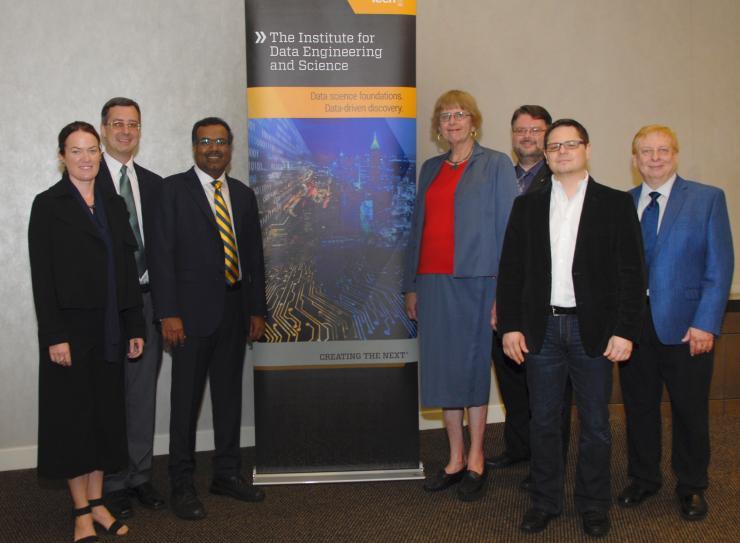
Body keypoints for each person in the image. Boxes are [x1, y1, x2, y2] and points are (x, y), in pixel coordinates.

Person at [497, 119, 645, 537]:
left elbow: (632, 273)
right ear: (545, 155)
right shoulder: (527, 207)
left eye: (570, 144)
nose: (562, 151)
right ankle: (545, 502)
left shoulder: (615, 204)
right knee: (544, 421)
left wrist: (625, 330)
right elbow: (511, 272)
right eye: (554, 145)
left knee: (596, 424)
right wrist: (510, 326)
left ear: (587, 149)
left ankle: (593, 505)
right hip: (541, 329)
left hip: (593, 332)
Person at [29, 121, 146, 543]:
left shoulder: (114, 204)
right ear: (62, 156)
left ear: (100, 153)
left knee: (103, 420)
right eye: (76, 151)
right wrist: (53, 336)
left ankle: (99, 503)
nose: (85, 158)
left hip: (111, 329)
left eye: (92, 150)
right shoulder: (49, 204)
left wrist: (134, 322)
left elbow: (129, 270)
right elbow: (42, 278)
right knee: (74, 424)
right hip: (71, 335)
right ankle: (80, 511)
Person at [150, 117, 268, 520]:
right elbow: (160, 257)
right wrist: (168, 313)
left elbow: (253, 257)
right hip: (188, 317)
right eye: (205, 141)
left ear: (230, 149)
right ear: (194, 147)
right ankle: (181, 484)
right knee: (185, 403)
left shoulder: (242, 194)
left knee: (228, 397)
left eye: (221, 142)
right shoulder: (172, 190)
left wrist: (256, 308)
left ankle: (226, 474)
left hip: (236, 312)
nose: (213, 148)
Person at [404, 90, 518, 502]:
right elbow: (417, 230)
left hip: (477, 281)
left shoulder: (496, 165)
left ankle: (476, 458)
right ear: (438, 126)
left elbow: (510, 233)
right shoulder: (430, 168)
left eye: (460, 114)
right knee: (441, 372)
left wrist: (503, 294)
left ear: (474, 121)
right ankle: (453, 458)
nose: (452, 121)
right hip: (432, 283)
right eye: (444, 116)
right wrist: (411, 284)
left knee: (471, 371)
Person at [618, 125, 733, 521]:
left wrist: (706, 323)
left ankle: (692, 485)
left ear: (676, 155)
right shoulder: (622, 203)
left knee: (689, 410)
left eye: (662, 150)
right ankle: (644, 478)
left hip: (687, 328)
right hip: (634, 328)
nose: (654, 157)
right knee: (639, 407)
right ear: (634, 160)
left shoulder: (706, 200)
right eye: (645, 151)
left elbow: (720, 268)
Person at [487, 106, 572, 493]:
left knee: (549, 387)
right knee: (511, 377)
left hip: (545, 301)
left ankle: (547, 462)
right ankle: (519, 448)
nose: (527, 137)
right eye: (520, 130)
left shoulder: (561, 181)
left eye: (536, 130)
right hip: (502, 293)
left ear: (548, 136)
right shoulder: (497, 176)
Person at [96, 97, 165, 518]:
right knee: (109, 395)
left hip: (148, 301)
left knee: (142, 394)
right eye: (117, 124)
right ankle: (111, 480)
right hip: (105, 308)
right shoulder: (88, 179)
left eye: (133, 124)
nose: (125, 131)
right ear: (103, 129)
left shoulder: (154, 184)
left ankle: (139, 475)